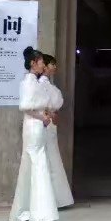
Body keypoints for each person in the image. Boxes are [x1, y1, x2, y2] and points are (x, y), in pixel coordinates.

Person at [9, 47, 59, 221]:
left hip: (38, 125)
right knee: (38, 163)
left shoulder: (34, 82)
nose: (43, 65)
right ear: (33, 63)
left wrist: (45, 115)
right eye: (41, 62)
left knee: (33, 164)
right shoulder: (28, 82)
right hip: (33, 126)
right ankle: (39, 212)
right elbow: (26, 107)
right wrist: (42, 117)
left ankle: (28, 210)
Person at [39, 54, 75, 209]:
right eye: (52, 64)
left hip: (50, 123)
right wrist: (49, 113)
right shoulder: (41, 84)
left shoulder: (47, 84)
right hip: (45, 122)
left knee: (52, 158)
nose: (55, 67)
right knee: (49, 159)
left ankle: (55, 198)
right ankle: (50, 198)